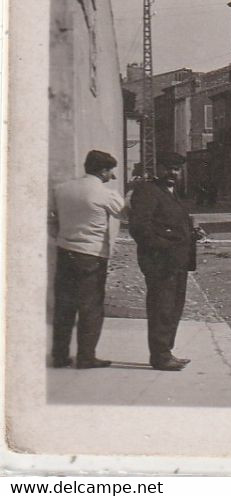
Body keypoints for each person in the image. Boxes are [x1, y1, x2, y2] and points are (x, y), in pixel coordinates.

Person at [48, 150, 125, 369]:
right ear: (103, 171)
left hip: (65, 251)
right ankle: (86, 356)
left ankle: (59, 356)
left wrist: (62, 238)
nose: (112, 176)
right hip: (91, 255)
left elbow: (51, 220)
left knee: (64, 306)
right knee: (90, 307)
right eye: (111, 171)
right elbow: (125, 215)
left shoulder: (61, 189)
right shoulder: (105, 194)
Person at [129, 152, 204, 371]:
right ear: (158, 168)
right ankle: (160, 356)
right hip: (161, 262)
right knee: (162, 308)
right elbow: (140, 228)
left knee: (172, 308)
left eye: (177, 169)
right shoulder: (146, 191)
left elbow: (170, 223)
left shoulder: (170, 192)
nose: (172, 173)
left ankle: (166, 352)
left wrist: (192, 233)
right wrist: (166, 247)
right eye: (168, 168)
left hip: (177, 261)